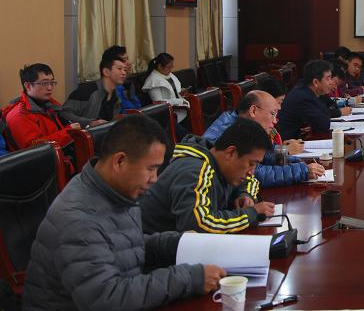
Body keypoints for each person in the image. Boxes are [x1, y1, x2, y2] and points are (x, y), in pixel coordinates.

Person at [23, 115, 226, 310]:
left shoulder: (115, 191)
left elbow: (127, 245)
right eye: (151, 169)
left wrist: (180, 243)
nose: (155, 179)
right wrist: (190, 278)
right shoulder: (78, 219)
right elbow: (107, 298)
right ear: (119, 161)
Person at [140, 118, 275, 234]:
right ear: (231, 152)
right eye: (251, 163)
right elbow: (197, 225)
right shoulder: (194, 171)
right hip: (149, 251)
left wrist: (245, 195)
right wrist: (250, 214)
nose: (251, 171)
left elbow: (251, 180)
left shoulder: (221, 164)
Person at [203, 90, 324, 186]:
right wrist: (302, 171)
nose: (275, 121)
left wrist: (296, 162)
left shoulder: (241, 124)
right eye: (272, 114)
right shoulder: (229, 132)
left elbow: (266, 154)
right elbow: (254, 174)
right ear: (253, 111)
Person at [3, 63, 95, 150]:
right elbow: (33, 149)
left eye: (52, 82)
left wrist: (90, 123)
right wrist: (68, 132)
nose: (50, 88)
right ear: (28, 86)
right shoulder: (20, 115)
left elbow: (67, 116)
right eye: (44, 83)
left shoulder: (48, 103)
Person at [64, 50, 142, 123]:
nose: (124, 73)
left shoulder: (117, 96)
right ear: (106, 71)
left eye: (125, 70)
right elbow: (64, 113)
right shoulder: (88, 91)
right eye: (119, 69)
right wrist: (89, 123)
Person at [276, 59, 334, 139]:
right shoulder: (303, 97)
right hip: (288, 142)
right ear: (315, 82)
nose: (331, 82)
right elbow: (324, 124)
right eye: (328, 79)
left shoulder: (305, 88)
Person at [142, 53, 190, 124]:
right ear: (160, 66)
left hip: (180, 109)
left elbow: (173, 91)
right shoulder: (153, 80)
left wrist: (181, 92)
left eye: (172, 66)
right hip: (167, 115)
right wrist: (178, 101)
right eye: (169, 67)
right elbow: (159, 103)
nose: (171, 70)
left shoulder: (169, 75)